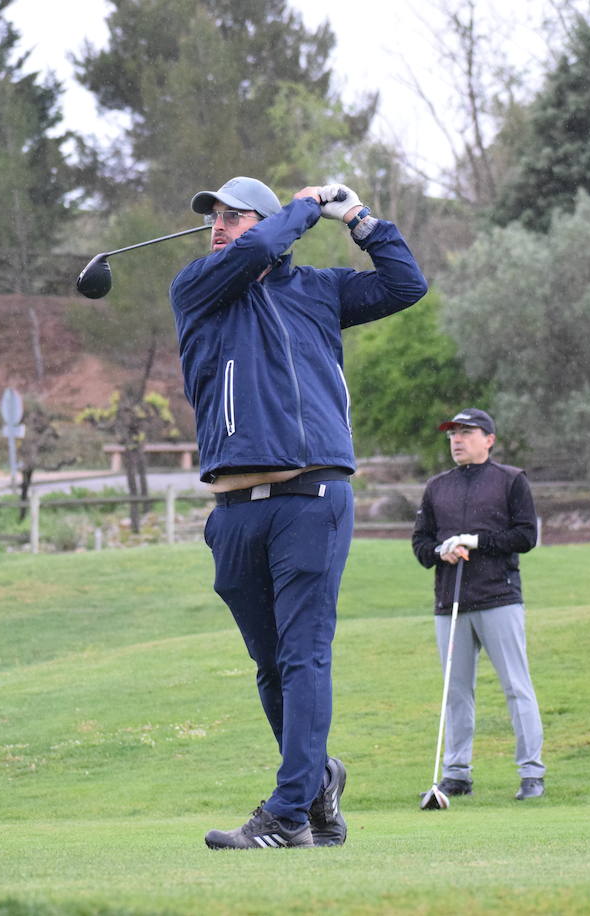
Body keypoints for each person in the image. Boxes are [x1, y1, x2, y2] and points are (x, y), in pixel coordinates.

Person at [170, 176, 427, 849]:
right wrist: (305, 206)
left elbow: (406, 286)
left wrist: (362, 220)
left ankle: (286, 815)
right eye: (213, 218)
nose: (218, 226)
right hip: (232, 509)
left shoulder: (319, 291)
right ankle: (317, 788)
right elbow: (255, 252)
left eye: (233, 215)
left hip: (311, 496)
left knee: (304, 656)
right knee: (270, 664)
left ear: (260, 221)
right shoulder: (199, 286)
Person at [411, 408, 546, 801]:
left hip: (498, 597)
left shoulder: (511, 480)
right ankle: (456, 773)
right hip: (450, 600)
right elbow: (420, 545)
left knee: (516, 687)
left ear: (489, 439)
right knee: (456, 692)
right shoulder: (437, 487)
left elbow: (525, 536)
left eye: (466, 432)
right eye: (453, 433)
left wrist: (475, 541)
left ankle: (531, 773)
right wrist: (442, 551)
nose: (456, 439)